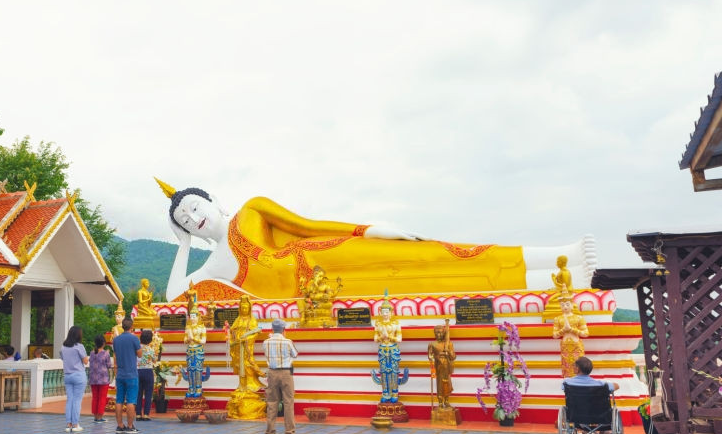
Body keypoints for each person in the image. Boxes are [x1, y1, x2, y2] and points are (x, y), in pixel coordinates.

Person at [155, 178, 596, 300]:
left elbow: (309, 225)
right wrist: (182, 247)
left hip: (328, 252)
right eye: (184, 220)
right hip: (318, 294)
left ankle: (557, 254)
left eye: (195, 207)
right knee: (431, 285)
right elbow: (174, 295)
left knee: (433, 253)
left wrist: (366, 230)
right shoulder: (212, 268)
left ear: (212, 200)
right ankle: (557, 283)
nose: (193, 218)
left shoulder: (251, 210)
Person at [263, 318, 299, 434]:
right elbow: (295, 354)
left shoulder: (266, 342)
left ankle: (269, 433)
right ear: (284, 329)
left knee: (272, 403)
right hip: (285, 373)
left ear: (272, 329)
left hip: (272, 373)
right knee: (288, 402)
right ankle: (289, 433)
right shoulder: (288, 342)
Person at [228, 295, 265, 392]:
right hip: (237, 347)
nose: (244, 309)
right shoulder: (238, 319)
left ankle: (250, 384)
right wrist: (232, 337)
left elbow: (255, 333)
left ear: (249, 308)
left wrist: (247, 339)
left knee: (247, 364)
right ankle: (242, 384)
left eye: (246, 308)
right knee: (239, 365)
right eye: (242, 307)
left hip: (246, 348)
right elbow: (232, 331)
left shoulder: (252, 320)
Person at [113, 317, 142, 434]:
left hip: (120, 373)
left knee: (119, 400)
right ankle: (130, 426)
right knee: (131, 400)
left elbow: (115, 355)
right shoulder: (134, 338)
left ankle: (120, 426)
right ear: (131, 327)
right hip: (131, 374)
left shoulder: (116, 340)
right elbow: (140, 354)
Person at [372, 300, 403, 403]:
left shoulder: (396, 323)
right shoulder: (378, 324)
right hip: (382, 350)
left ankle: (395, 393)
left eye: (387, 312)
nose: (385, 314)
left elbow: (399, 339)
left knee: (394, 371)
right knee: (384, 372)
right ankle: (385, 393)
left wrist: (389, 336)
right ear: (380, 312)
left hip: (393, 349)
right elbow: (375, 339)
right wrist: (382, 336)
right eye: (383, 312)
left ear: (391, 312)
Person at [61, 326, 89, 433]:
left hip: (67, 375)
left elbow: (63, 359)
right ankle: (75, 424)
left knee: (70, 400)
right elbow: (86, 361)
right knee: (77, 400)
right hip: (78, 375)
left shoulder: (64, 347)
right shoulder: (79, 346)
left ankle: (68, 424)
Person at [553, 295, 589, 377]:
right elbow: (555, 335)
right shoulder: (558, 319)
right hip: (565, 346)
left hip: (576, 346)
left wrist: (571, 329)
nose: (565, 306)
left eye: (567, 304)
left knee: (578, 364)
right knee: (566, 365)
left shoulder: (579, 318)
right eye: (562, 305)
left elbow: (586, 333)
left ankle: (580, 381)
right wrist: (563, 330)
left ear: (572, 305)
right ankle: (568, 382)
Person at [427, 322, 455, 409]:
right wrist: (431, 358)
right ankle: (440, 401)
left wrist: (449, 352)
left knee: (447, 384)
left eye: (441, 332)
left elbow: (453, 356)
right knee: (439, 384)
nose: (439, 334)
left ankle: (446, 401)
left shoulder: (449, 344)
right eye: (437, 332)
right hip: (439, 366)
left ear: (444, 333)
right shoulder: (432, 344)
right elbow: (430, 355)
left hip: (447, 366)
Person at [88, 335, 112, 423]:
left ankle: (95, 416)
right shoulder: (106, 353)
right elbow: (109, 365)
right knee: (102, 398)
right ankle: (100, 416)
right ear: (103, 343)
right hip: (103, 379)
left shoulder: (91, 353)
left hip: (93, 378)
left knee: (95, 398)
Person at [136, 329, 156, 421]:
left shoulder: (137, 348)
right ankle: (146, 414)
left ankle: (138, 414)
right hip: (148, 371)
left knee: (138, 393)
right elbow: (154, 360)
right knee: (148, 393)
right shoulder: (151, 349)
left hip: (138, 371)